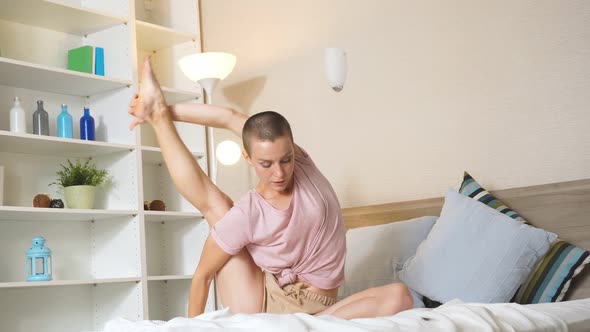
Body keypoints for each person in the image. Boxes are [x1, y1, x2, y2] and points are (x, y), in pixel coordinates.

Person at [128, 57, 414, 319]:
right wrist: (192, 328)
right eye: (266, 164)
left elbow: (228, 117)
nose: (279, 173)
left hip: (322, 306)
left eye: (285, 159)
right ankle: (158, 119)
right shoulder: (249, 212)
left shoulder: (303, 164)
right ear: (248, 158)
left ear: (293, 150)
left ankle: (310, 325)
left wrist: (170, 110)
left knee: (400, 296)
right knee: (216, 207)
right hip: (263, 301)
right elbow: (202, 275)